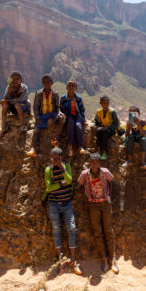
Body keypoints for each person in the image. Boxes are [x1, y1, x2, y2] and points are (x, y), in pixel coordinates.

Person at [77, 153, 119, 274]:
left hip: (105, 203)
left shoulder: (105, 172)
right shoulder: (85, 174)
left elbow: (112, 182)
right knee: (97, 232)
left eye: (96, 162)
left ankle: (113, 259)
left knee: (109, 231)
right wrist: (86, 199)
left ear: (99, 163)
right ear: (89, 163)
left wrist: (110, 197)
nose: (94, 164)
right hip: (93, 205)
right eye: (92, 162)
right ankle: (104, 259)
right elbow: (79, 185)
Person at [43, 147, 82, 275]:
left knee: (71, 228)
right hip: (53, 204)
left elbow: (69, 180)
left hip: (67, 203)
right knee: (56, 230)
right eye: (52, 158)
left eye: (56, 158)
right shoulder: (48, 170)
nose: (53, 160)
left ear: (60, 158)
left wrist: (62, 168)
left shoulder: (67, 166)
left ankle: (73, 260)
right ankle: (60, 261)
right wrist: (61, 184)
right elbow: (49, 187)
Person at [27, 75, 65, 157]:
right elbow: (35, 106)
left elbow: (57, 107)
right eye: (44, 82)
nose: (46, 84)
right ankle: (33, 148)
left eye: (48, 82)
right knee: (37, 129)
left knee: (62, 119)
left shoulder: (55, 94)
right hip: (43, 115)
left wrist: (59, 113)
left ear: (51, 83)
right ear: (42, 83)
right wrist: (37, 118)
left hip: (52, 114)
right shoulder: (39, 93)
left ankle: (55, 140)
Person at [0, 71, 30, 136]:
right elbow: (6, 97)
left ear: (21, 80)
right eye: (13, 79)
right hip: (13, 107)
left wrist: (8, 100)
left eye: (17, 79)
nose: (15, 81)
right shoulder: (9, 87)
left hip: (22, 107)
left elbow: (21, 99)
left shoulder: (24, 88)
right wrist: (9, 89)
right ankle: (3, 127)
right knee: (4, 105)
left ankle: (22, 125)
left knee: (16, 104)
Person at [59, 81, 86, 157]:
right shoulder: (63, 98)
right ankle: (70, 146)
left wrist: (83, 119)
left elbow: (82, 109)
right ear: (66, 87)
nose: (71, 87)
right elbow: (61, 109)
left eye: (73, 86)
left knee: (78, 126)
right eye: (69, 86)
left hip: (77, 115)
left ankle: (80, 146)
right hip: (68, 115)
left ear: (76, 88)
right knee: (70, 124)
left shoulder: (78, 98)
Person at [94, 96, 120, 160]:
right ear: (101, 103)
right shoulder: (98, 112)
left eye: (107, 103)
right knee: (98, 131)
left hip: (112, 129)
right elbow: (97, 122)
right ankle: (98, 150)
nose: (106, 105)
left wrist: (108, 127)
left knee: (105, 132)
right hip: (103, 128)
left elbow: (116, 123)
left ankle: (104, 153)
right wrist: (99, 126)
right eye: (104, 103)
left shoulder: (112, 112)